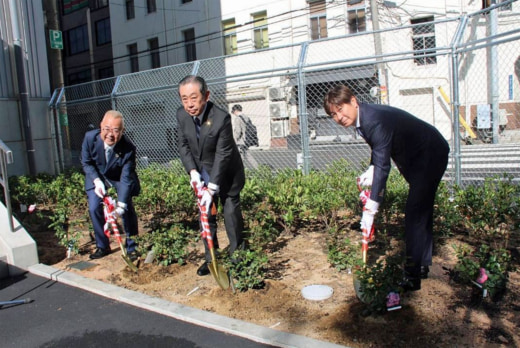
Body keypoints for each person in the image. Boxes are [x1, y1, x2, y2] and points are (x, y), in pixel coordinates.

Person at [323, 85, 449, 291]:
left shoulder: (373, 120)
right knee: (421, 211)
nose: (338, 117)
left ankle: (412, 275)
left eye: (341, 109)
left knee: (415, 213)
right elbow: (380, 148)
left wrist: (372, 207)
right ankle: (422, 264)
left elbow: (384, 165)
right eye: (333, 114)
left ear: (353, 101)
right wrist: (372, 168)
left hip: (429, 153)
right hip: (417, 157)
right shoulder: (363, 119)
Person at [176, 75, 245, 276]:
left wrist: (212, 187)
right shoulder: (181, 115)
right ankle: (211, 258)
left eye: (193, 98)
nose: (189, 104)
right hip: (202, 173)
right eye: (184, 99)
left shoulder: (221, 118)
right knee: (205, 216)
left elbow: (223, 154)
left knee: (231, 215)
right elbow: (183, 146)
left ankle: (238, 257)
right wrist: (193, 172)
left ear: (206, 95)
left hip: (227, 174)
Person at [81, 110, 141, 260]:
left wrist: (120, 205)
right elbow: (86, 162)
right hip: (96, 175)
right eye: (106, 129)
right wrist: (96, 180)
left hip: (118, 177)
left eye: (116, 130)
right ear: (101, 126)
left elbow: (126, 177)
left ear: (122, 131)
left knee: (127, 207)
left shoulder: (128, 148)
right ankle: (102, 246)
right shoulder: (90, 138)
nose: (110, 134)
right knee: (94, 207)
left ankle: (132, 246)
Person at [231, 104, 259, 169]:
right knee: (247, 155)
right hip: (247, 139)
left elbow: (238, 131)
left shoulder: (238, 119)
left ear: (235, 111)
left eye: (233, 112)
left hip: (241, 141)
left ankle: (241, 172)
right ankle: (258, 168)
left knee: (241, 157)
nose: (233, 113)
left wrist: (234, 140)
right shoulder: (246, 117)